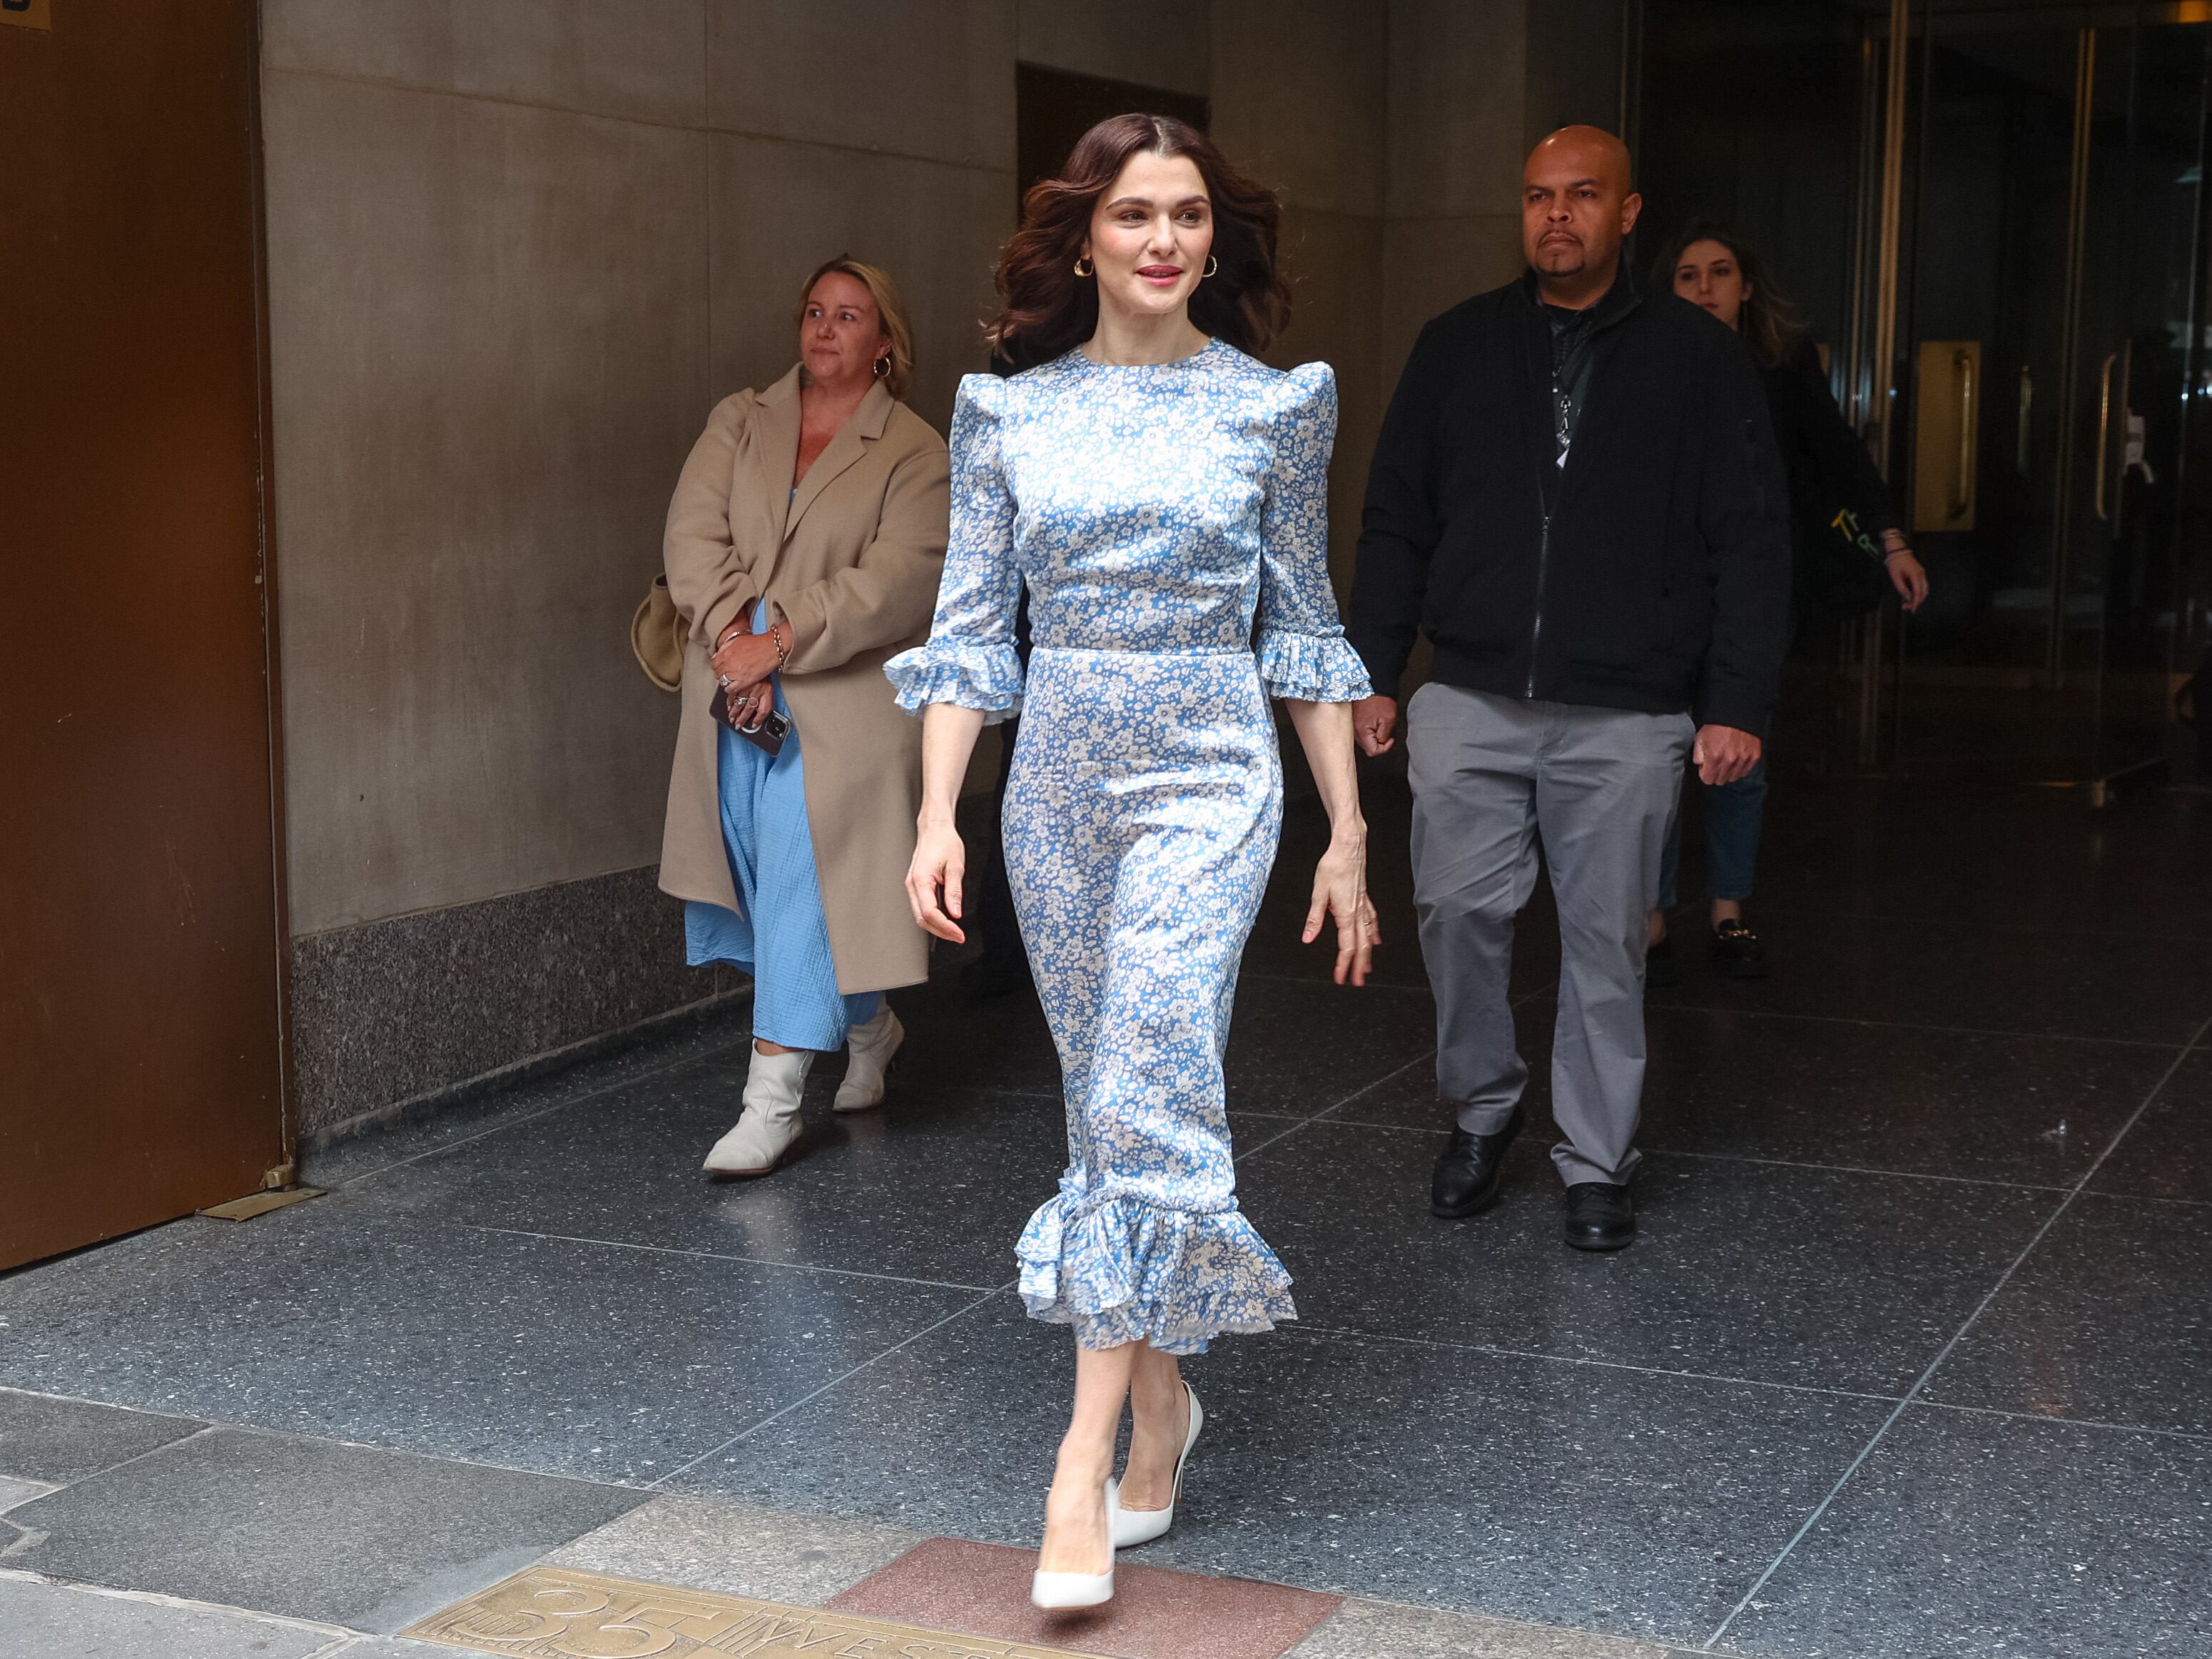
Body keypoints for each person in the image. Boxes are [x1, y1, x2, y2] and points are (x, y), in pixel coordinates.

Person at [887, 113, 1377, 1611]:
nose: (1162, 239)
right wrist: (933, 815)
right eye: (1131, 215)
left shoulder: (1270, 407)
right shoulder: (1004, 415)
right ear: (1083, 237)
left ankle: (1076, 1459)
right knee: (1109, 1102)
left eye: (1184, 215)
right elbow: (972, 638)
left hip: (1209, 770)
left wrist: (1346, 831)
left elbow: (1300, 630)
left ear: (1211, 240)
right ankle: (1164, 1398)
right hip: (1055, 786)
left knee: (1152, 1073)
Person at [1344, 127, 1791, 1252]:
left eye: (1583, 196)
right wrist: (1373, 669)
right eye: (1540, 196)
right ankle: (1485, 1109)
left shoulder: (1697, 357)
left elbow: (1751, 539)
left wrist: (1735, 701)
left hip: (1629, 709)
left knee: (1605, 942)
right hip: (1474, 692)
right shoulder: (1457, 347)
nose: (1557, 216)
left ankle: (1596, 1159)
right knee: (1455, 913)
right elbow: (1396, 517)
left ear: (1627, 213)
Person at [659, 257, 951, 1177]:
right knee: (765, 884)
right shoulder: (738, 422)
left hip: (844, 710)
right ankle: (871, 1027)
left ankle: (772, 1102)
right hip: (732, 696)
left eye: (849, 316)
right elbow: (691, 537)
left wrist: (778, 641)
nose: (826, 329)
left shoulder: (915, 450)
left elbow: (901, 579)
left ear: (886, 343)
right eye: (815, 312)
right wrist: (734, 640)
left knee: (802, 878)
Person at [1646, 221, 1929, 982]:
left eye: (1719, 272)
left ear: (1746, 288)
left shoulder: (1779, 364)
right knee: (1656, 759)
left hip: (1750, 592)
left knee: (1741, 754)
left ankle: (1727, 913)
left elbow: (1838, 450)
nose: (1704, 287)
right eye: (1686, 275)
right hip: (1662, 595)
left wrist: (1891, 539)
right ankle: (1648, 915)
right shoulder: (1639, 365)